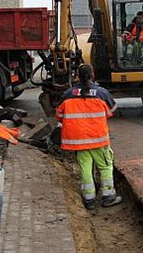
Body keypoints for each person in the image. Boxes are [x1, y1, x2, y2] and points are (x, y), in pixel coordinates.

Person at [55, 64, 121, 210]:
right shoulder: (101, 93)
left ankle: (89, 199)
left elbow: (59, 116)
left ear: (77, 76)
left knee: (85, 168)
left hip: (78, 141)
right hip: (98, 139)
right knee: (105, 166)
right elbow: (111, 112)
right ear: (92, 75)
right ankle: (108, 196)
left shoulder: (68, 94)